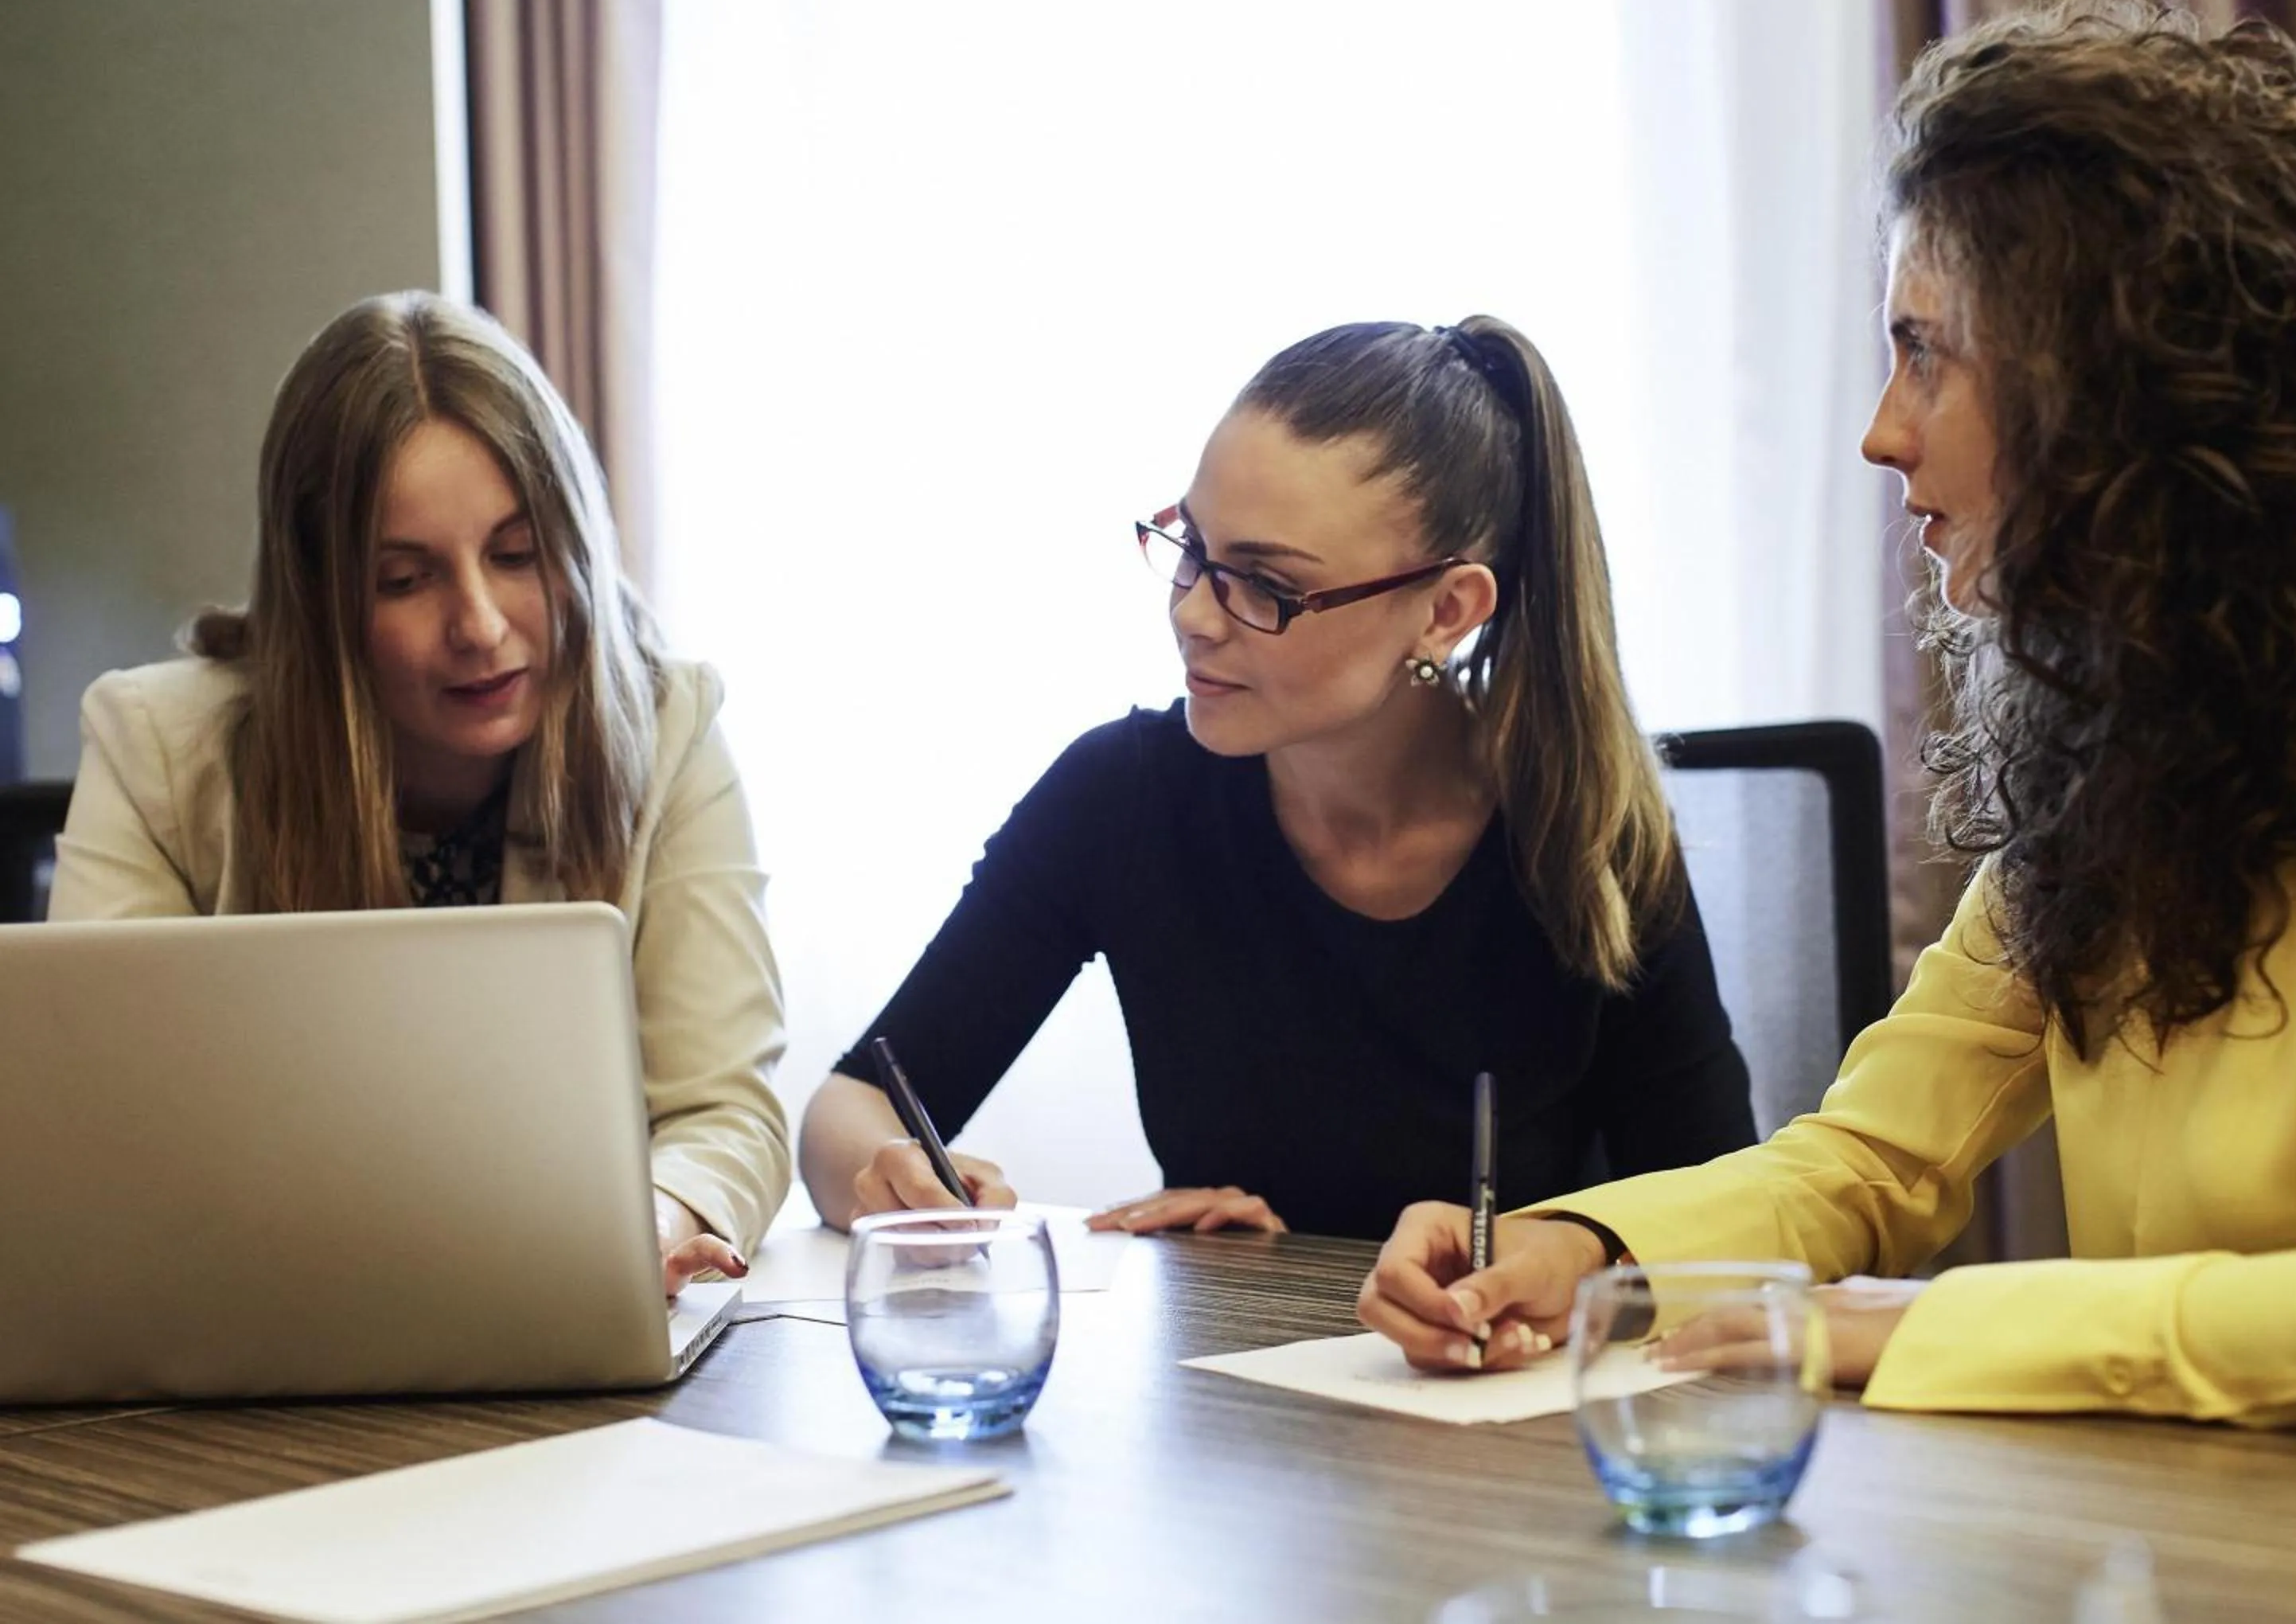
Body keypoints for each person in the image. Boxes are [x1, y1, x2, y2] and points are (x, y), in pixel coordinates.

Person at [1358, 0, 2296, 1430]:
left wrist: (1953, 1329)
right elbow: (1869, 1160)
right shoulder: (2116, 749)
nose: (1880, 430)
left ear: (2120, 383)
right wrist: (1584, 1250)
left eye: (1926, 351)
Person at [798, 316, 1756, 1242]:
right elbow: (854, 1102)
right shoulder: (1123, 796)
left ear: (1447, 610)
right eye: (1194, 549)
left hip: (1505, 1388)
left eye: (1266, 586)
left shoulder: (1586, 832)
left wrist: (1545, 1255)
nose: (1196, 617)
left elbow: (1723, 1228)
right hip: (1230, 1387)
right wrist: (892, 1173)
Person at [49, 292, 791, 1293]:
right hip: (262, 1311)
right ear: (322, 601)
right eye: (406, 579)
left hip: (569, 1300)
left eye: (517, 556)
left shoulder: (668, 728)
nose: (480, 624)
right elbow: (100, 1125)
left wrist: (646, 1227)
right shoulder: (153, 748)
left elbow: (725, 1111)